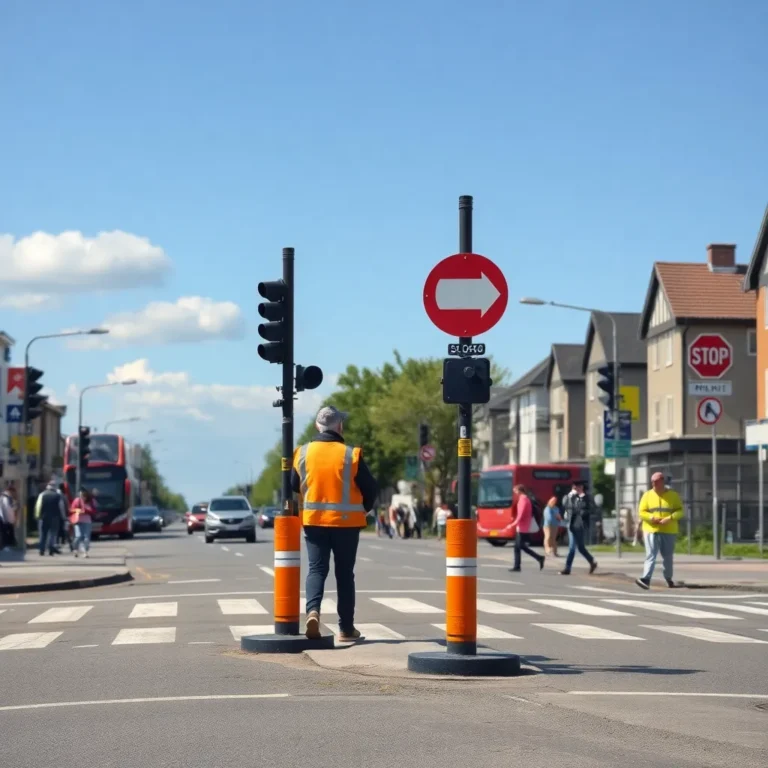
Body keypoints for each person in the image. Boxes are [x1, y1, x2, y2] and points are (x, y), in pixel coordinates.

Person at [292, 405, 378, 642]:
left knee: (317, 569)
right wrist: (364, 508)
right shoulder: (351, 454)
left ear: (316, 426)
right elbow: (371, 487)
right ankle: (346, 629)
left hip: (314, 522)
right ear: (340, 426)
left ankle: (313, 612)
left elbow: (292, 484)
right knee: (344, 574)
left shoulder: (302, 453)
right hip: (347, 524)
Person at [636, 472, 683, 589]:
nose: (654, 483)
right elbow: (641, 512)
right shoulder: (647, 495)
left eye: (656, 481)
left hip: (669, 530)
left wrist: (670, 518)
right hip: (651, 529)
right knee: (651, 555)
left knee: (667, 556)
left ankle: (668, 578)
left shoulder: (673, 495)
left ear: (662, 481)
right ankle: (646, 579)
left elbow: (680, 511)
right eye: (652, 481)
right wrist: (652, 518)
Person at [559, 480, 598, 576]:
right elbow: (565, 505)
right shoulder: (571, 497)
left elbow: (592, 509)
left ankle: (567, 568)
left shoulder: (587, 498)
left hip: (580, 525)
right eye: (574, 487)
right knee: (579, 547)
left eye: (577, 487)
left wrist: (582, 512)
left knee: (574, 547)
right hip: (571, 524)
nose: (575, 489)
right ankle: (591, 561)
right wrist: (569, 496)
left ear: (582, 487)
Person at [510, 484, 544, 572]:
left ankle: (539, 558)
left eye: (515, 491)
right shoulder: (524, 499)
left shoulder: (523, 500)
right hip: (522, 526)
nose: (515, 492)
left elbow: (520, 515)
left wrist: (513, 524)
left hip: (523, 527)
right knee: (517, 547)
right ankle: (517, 566)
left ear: (520, 490)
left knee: (521, 546)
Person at [34, 479, 67, 556]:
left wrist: (37, 516)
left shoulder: (42, 495)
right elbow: (61, 507)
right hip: (55, 517)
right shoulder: (58, 496)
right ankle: (51, 549)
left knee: (43, 534)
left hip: (43, 517)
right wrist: (63, 517)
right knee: (53, 534)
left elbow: (38, 506)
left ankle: (41, 550)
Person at [70, 488, 95, 557]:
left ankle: (85, 552)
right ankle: (75, 549)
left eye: (83, 495)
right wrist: (78, 510)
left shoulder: (90, 501)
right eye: (80, 495)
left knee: (86, 537)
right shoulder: (77, 500)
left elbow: (94, 510)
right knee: (78, 536)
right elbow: (71, 509)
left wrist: (86, 511)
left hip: (87, 521)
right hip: (77, 520)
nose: (82, 497)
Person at [0, 482, 18, 551]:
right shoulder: (7, 498)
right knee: (5, 533)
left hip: (3, 518)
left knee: (3, 533)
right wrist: (12, 520)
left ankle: (4, 545)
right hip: (4, 519)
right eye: (13, 492)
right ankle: (5, 546)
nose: (14, 494)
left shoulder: (2, 496)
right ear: (11, 491)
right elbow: (8, 509)